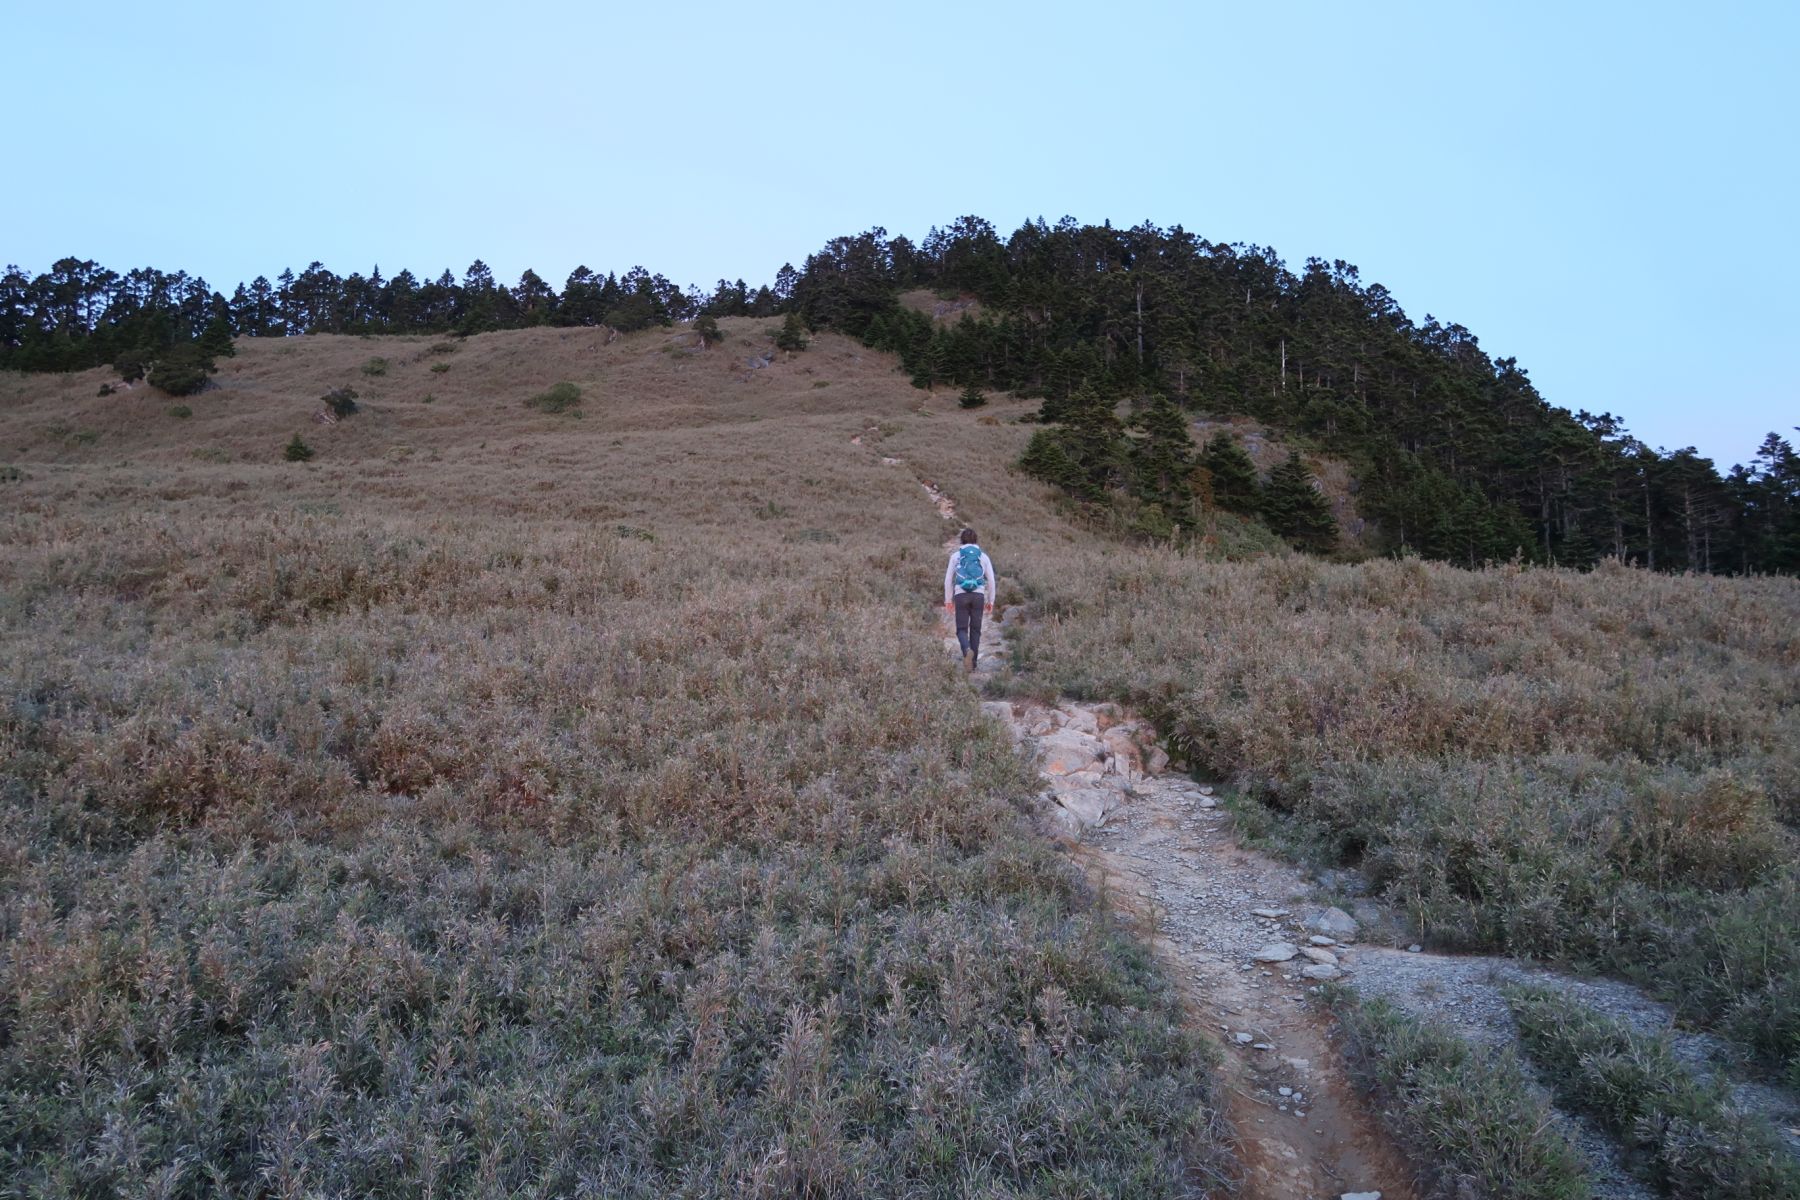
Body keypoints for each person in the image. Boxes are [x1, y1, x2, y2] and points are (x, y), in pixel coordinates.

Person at [943, 527, 996, 671]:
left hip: (961, 595)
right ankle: (973, 665)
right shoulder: (983, 556)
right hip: (978, 595)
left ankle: (966, 650)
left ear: (962, 540)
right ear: (976, 540)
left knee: (961, 629)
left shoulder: (955, 556)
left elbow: (948, 580)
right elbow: (991, 580)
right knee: (976, 630)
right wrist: (991, 601)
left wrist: (948, 600)